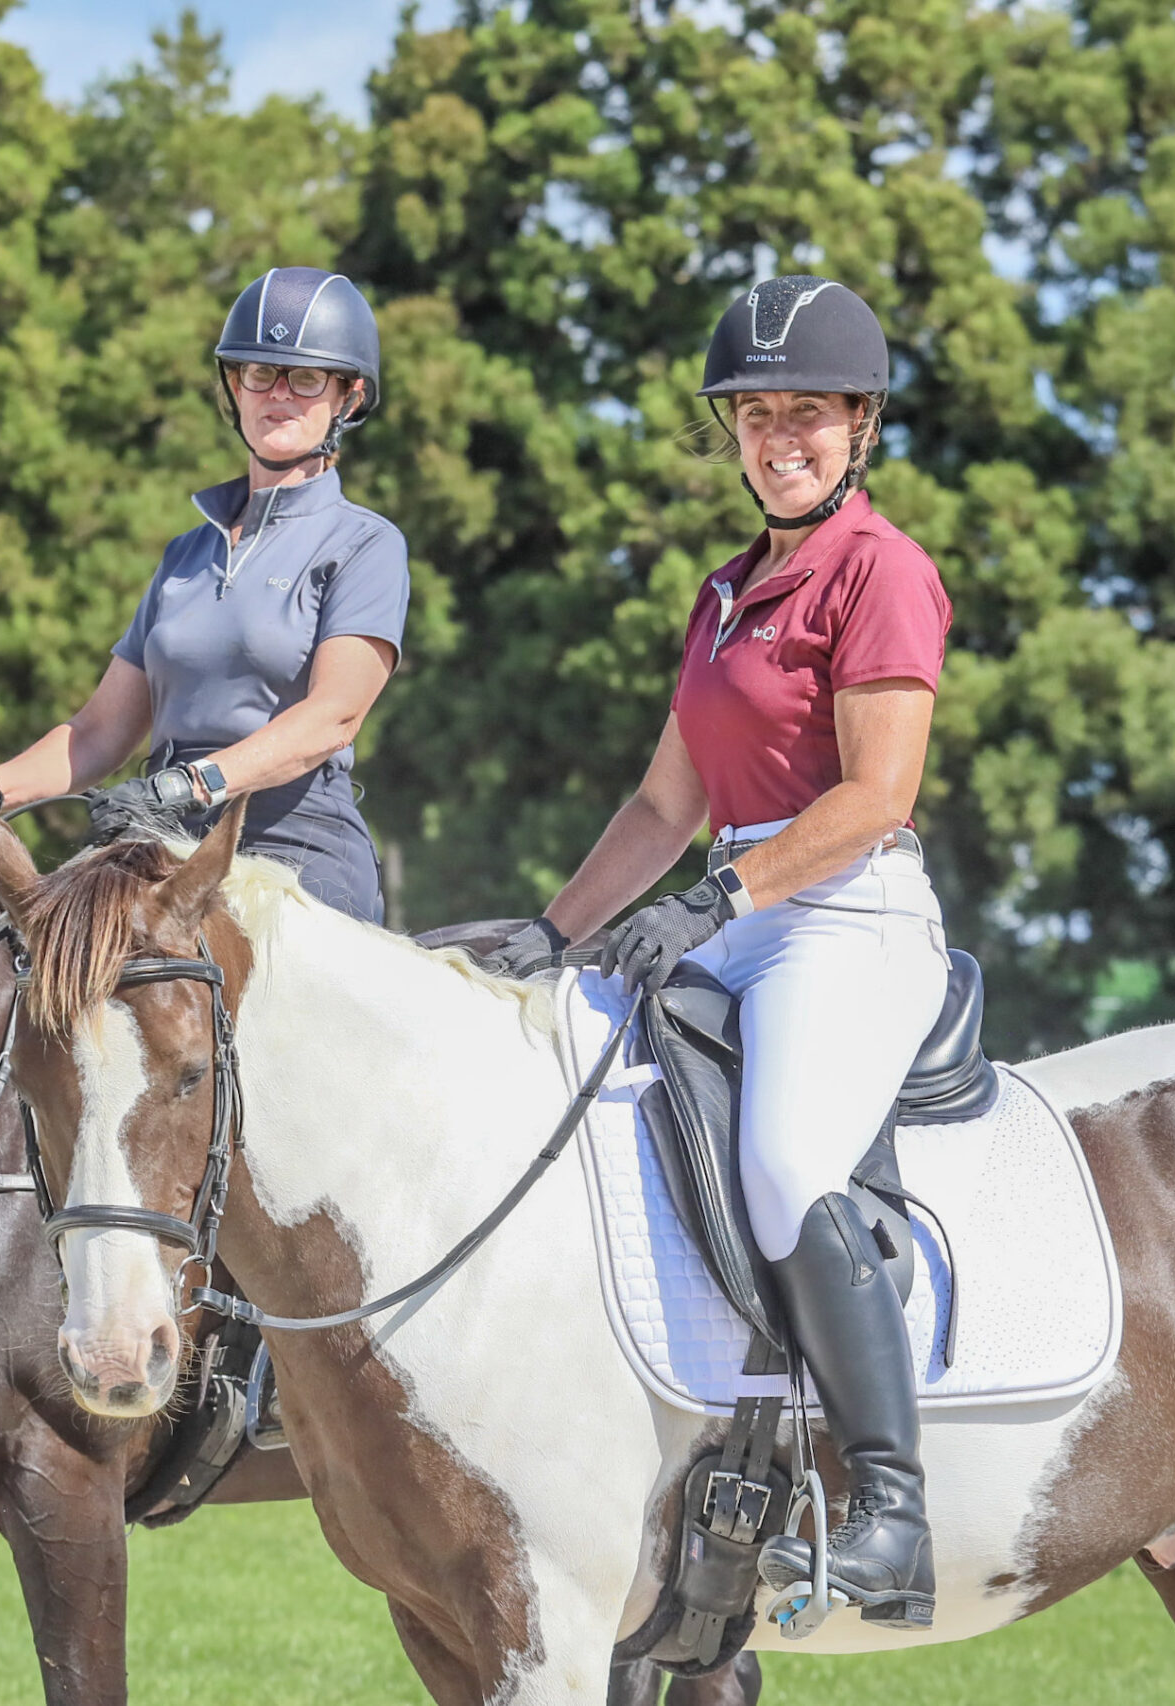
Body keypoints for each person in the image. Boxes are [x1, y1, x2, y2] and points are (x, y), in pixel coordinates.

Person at [475, 276, 952, 1627]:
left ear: (860, 423)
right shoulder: (729, 593)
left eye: (807, 412)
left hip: (847, 916)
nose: (778, 435)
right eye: (754, 414)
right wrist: (550, 935)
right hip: (743, 908)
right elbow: (659, 808)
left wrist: (719, 897)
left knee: (788, 1159)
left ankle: (892, 1507)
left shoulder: (881, 572)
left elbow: (877, 797)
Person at [0, 268, 408, 923]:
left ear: (348, 399)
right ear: (233, 387)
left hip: (296, 847)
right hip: (165, 842)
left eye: (305, 378)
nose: (278, 395)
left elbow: (333, 718)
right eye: (258, 374)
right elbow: (99, 733)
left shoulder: (365, 545)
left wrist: (192, 783)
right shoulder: (185, 554)